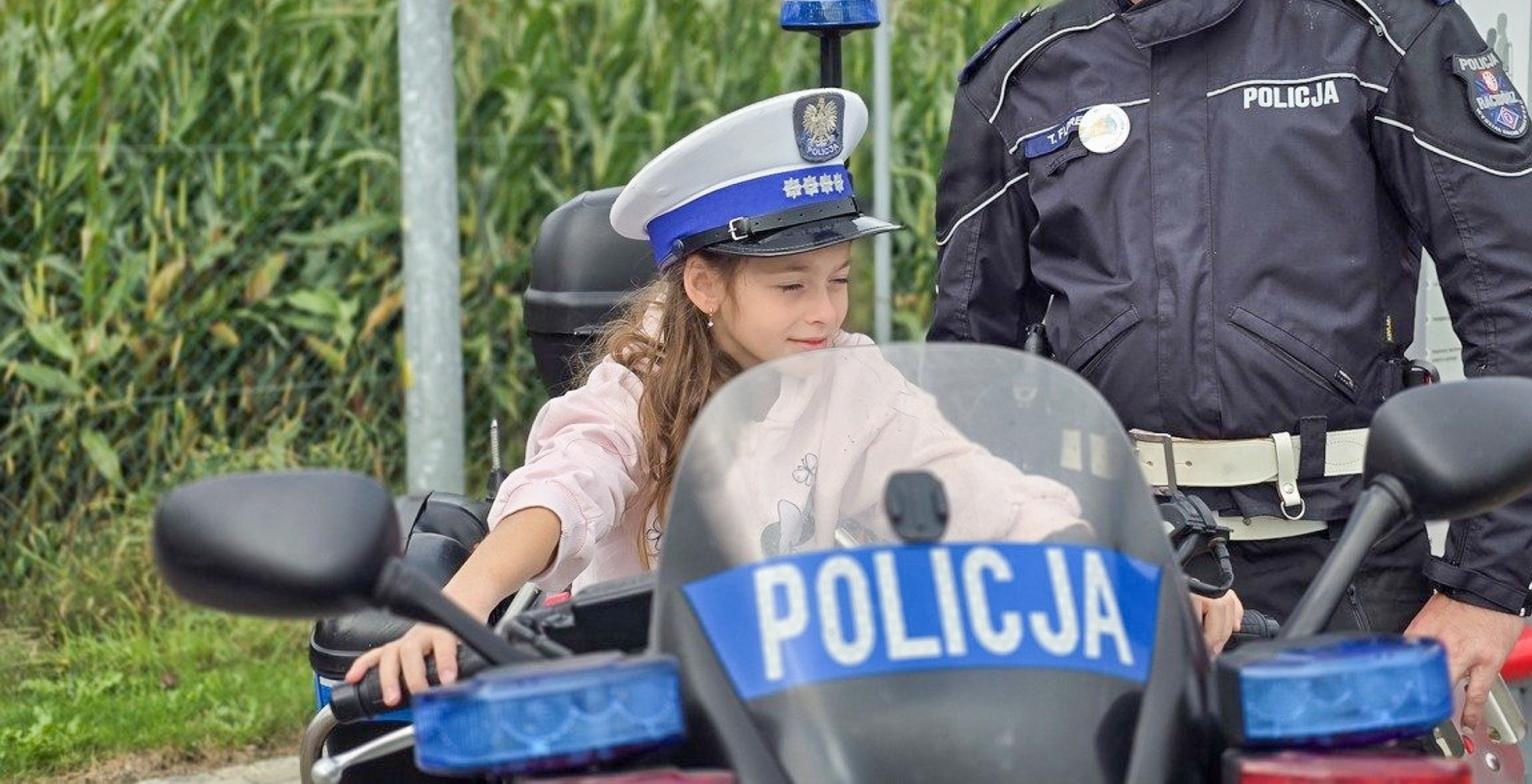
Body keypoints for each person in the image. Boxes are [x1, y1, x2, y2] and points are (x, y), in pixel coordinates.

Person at [928, 0, 1532, 730]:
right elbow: (973, 368)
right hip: (1114, 578)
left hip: (1344, 574)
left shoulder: (1376, 31)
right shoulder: (1021, 82)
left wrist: (1484, 590)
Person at [347, 88, 1239, 706]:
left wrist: (1137, 571)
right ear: (702, 285)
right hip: (636, 700)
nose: (824, 314)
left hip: (794, 706)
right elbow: (564, 490)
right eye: (790, 287)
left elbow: (977, 489)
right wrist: (456, 611)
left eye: (839, 279)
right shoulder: (636, 388)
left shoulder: (850, 378)